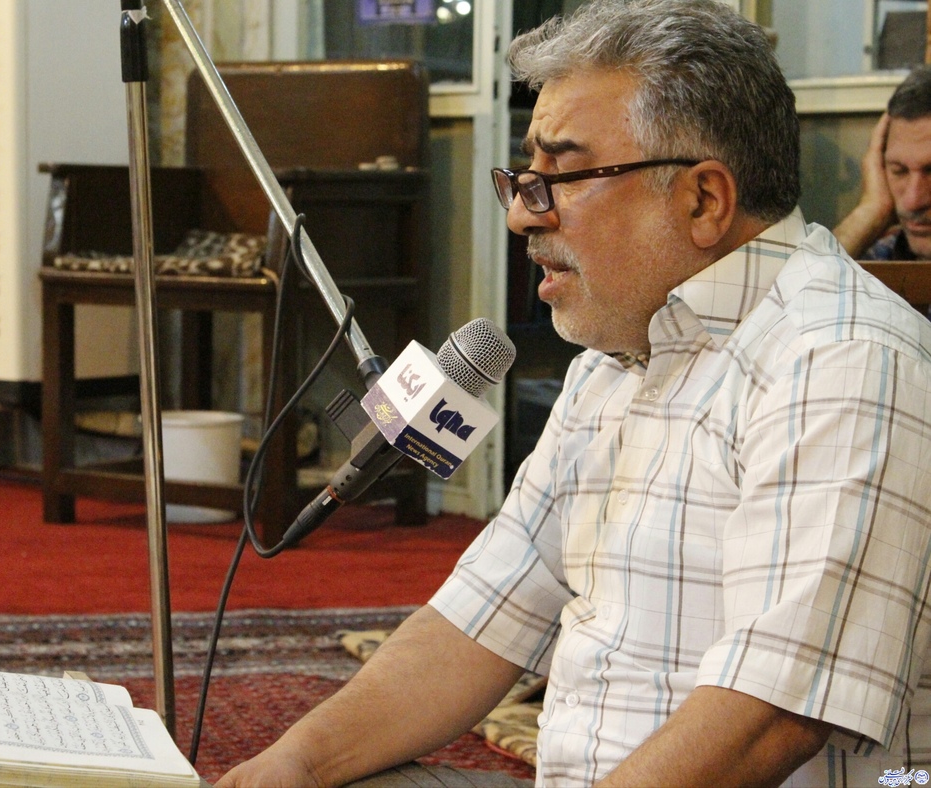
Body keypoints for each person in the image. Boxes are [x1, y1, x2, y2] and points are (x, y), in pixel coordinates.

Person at [219, 1, 931, 785]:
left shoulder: (841, 360)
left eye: (561, 176)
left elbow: (767, 717)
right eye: (525, 177)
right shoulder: (615, 357)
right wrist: (292, 764)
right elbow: (480, 618)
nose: (523, 215)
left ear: (703, 199)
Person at [834, 65, 931, 259]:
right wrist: (871, 212)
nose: (912, 202)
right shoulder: (884, 253)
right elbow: (799, 278)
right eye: (899, 171)